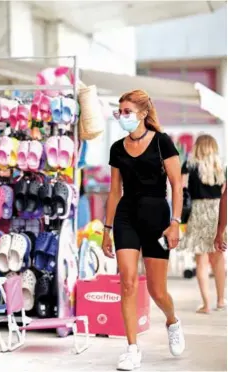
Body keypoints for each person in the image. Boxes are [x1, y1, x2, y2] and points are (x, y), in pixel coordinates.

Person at [101, 89, 184, 371]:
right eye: (119, 111)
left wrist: (175, 223)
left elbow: (177, 185)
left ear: (143, 113)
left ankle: (172, 321)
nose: (122, 116)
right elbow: (114, 192)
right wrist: (106, 228)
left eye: (127, 111)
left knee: (158, 291)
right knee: (127, 282)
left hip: (158, 219)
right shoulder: (116, 148)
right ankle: (132, 349)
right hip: (126, 217)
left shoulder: (162, 143)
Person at [180, 135, 226, 313]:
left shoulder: (189, 165)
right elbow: (224, 194)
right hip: (217, 210)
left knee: (201, 261)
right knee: (218, 258)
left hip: (198, 211)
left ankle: (206, 304)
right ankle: (221, 300)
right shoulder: (220, 167)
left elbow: (182, 190)